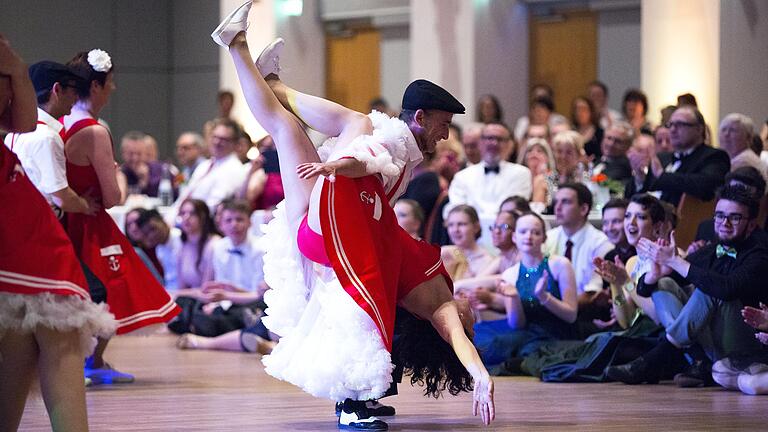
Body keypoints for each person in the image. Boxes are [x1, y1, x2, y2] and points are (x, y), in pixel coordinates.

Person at [212, 4, 494, 429]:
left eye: (472, 321)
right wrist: (338, 167)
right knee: (327, 127)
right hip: (331, 228)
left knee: (316, 127)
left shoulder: (442, 305)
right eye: (444, 124)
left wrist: (482, 376)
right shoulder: (402, 145)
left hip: (330, 234)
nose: (446, 133)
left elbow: (366, 162)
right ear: (420, 118)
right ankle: (260, 70)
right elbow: (369, 162)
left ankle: (245, 55)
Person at [0, 35, 116, 432]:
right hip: (27, 227)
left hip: (29, 224)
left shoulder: (26, 135)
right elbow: (60, 193)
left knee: (32, 336)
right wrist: (86, 205)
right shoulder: (55, 134)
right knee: (56, 328)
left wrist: (14, 66)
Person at [62, 49, 181, 384]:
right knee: (109, 288)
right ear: (97, 85)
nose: (113, 89)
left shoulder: (61, 121)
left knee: (89, 290)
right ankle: (91, 361)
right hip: (91, 222)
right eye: (110, 82)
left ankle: (91, 361)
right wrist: (117, 176)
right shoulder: (95, 131)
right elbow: (113, 198)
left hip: (68, 218)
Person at [606, 185, 768, 386]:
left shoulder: (759, 254)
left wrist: (674, 262)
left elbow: (726, 289)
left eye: (734, 218)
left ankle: (654, 360)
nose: (724, 223)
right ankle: (697, 358)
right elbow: (641, 297)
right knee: (664, 283)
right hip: (700, 341)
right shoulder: (708, 251)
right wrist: (654, 275)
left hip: (746, 346)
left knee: (710, 289)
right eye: (719, 216)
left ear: (751, 225)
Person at [474, 211, 578, 367]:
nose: (529, 236)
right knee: (480, 336)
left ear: (544, 238)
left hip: (558, 334)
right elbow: (517, 324)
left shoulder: (560, 265)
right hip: (527, 333)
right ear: (515, 237)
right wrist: (514, 298)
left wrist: (544, 297)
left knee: (501, 346)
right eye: (523, 232)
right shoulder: (511, 273)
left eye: (535, 232)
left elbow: (571, 316)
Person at [625, 105, 730, 206]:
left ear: (699, 129)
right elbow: (630, 197)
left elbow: (705, 186)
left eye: (680, 124)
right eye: (670, 125)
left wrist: (662, 176)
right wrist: (639, 178)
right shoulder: (662, 158)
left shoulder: (714, 157)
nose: (673, 130)